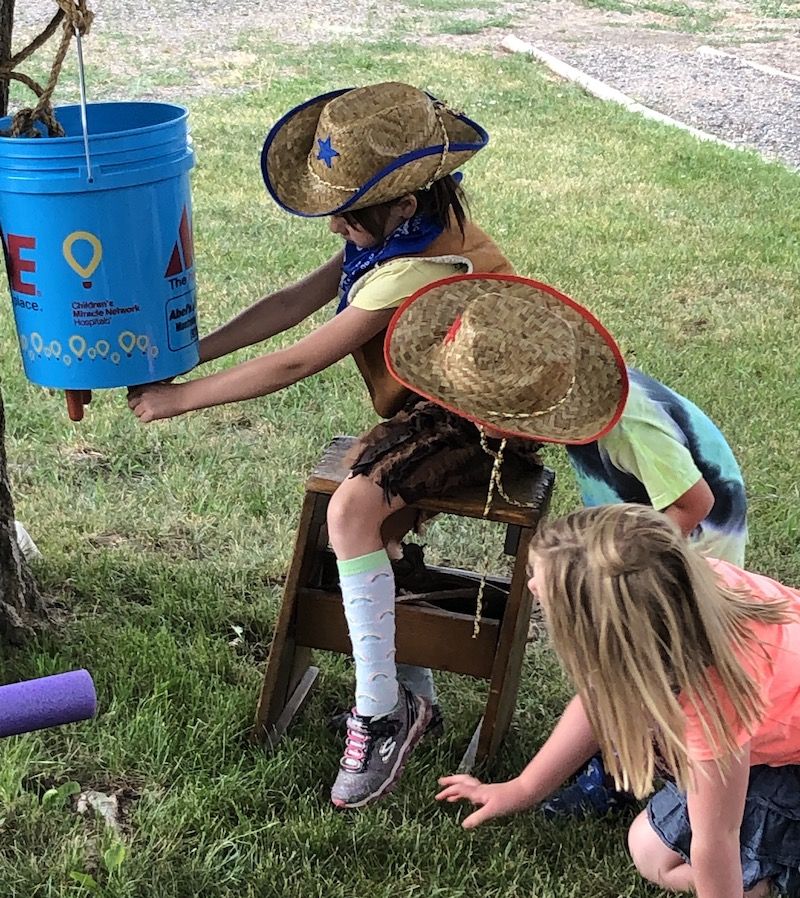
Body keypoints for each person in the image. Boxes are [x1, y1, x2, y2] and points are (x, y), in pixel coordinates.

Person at [127, 81, 540, 809]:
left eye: (346, 217)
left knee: (351, 512)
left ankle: (380, 714)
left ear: (401, 204)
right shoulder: (398, 236)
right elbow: (294, 301)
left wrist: (178, 400)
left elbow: (299, 359)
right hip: (431, 411)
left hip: (481, 427)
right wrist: (192, 352)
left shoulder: (421, 265)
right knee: (361, 522)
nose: (334, 232)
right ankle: (411, 694)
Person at [384, 272, 748, 816]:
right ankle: (628, 753)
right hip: (632, 542)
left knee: (647, 668)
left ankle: (631, 777)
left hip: (678, 557)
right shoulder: (581, 405)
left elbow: (695, 504)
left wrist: (610, 570)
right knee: (622, 668)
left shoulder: (628, 424)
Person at [436, 503, 800, 898]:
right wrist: (523, 788)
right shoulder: (676, 589)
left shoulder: (711, 702)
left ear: (608, 634)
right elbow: (599, 696)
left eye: (545, 586)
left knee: (652, 854)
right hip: (762, 725)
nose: (533, 588)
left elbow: (717, 840)